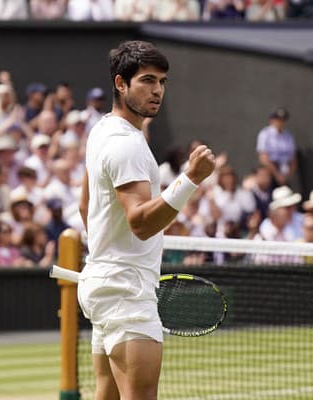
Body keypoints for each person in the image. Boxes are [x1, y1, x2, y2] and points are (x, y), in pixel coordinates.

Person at [77, 40, 215, 400]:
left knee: (106, 395)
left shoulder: (101, 131)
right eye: (147, 81)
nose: (157, 91)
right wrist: (191, 179)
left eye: (162, 82)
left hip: (103, 283)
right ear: (121, 84)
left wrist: (108, 253)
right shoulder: (128, 145)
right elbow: (140, 223)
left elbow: (84, 206)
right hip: (125, 290)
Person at [256, 107, 297, 188]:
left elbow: (293, 159)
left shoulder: (288, 136)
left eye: (283, 120)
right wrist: (277, 174)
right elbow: (263, 158)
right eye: (278, 120)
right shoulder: (265, 134)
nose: (281, 123)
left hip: (285, 172)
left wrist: (287, 175)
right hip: (270, 172)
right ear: (271, 120)